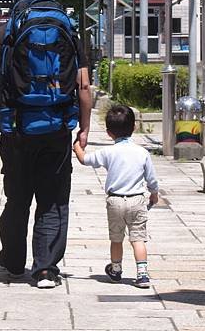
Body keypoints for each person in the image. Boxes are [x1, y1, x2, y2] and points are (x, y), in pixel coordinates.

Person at [0, 0, 91, 289]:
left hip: (15, 129)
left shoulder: (7, 31)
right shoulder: (68, 29)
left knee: (17, 197)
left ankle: (13, 262)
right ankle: (45, 269)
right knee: (53, 198)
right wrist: (84, 127)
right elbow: (83, 85)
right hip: (56, 128)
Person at [73, 104, 158, 288]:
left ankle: (116, 269)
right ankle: (142, 274)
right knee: (138, 238)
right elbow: (151, 178)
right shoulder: (142, 152)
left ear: (109, 133)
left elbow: (85, 160)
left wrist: (77, 146)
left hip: (115, 200)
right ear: (134, 128)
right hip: (137, 199)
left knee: (116, 238)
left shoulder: (108, 152)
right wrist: (154, 194)